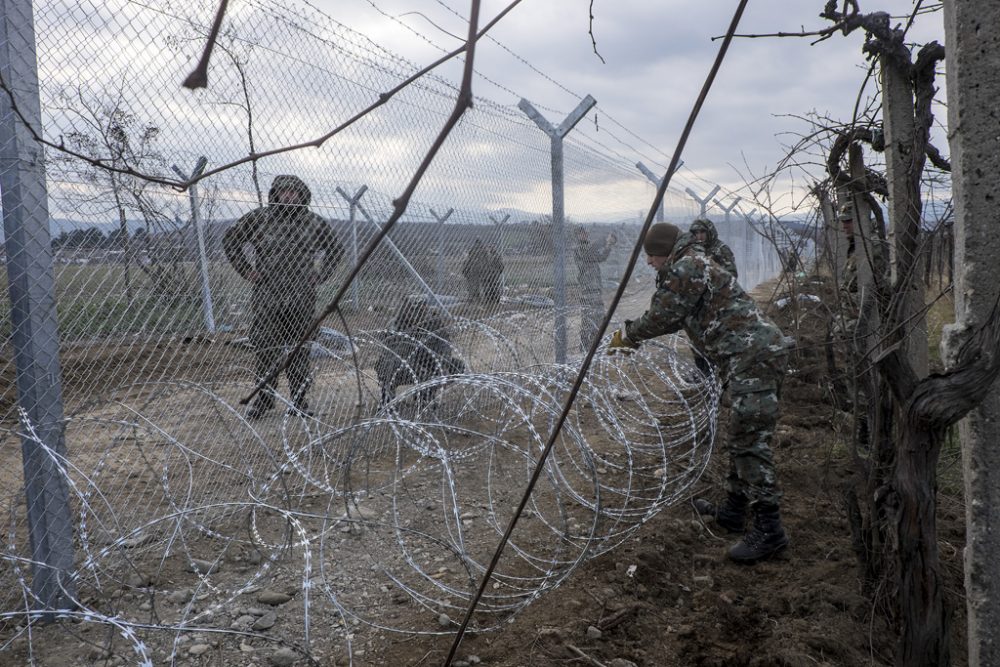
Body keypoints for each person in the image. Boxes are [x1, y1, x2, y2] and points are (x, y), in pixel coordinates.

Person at [607, 222, 792, 563]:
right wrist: (636, 333)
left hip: (754, 357)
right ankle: (735, 512)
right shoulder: (692, 262)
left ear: (663, 251)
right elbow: (679, 315)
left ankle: (770, 530)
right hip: (746, 357)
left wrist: (630, 335)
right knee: (740, 435)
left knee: (750, 442)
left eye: (650, 256)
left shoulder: (687, 266)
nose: (649, 263)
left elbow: (663, 315)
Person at [223, 175, 344, 420]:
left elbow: (335, 249)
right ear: (275, 194)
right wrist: (246, 270)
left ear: (302, 195)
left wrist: (320, 275)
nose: (289, 196)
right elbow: (231, 240)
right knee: (266, 349)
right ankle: (264, 398)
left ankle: (299, 400)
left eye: (294, 192)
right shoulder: (260, 219)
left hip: (302, 298)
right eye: (284, 192)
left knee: (300, 349)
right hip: (267, 297)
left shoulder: (313, 223)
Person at [573, 226, 617, 351]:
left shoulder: (589, 248)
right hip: (587, 290)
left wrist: (608, 245)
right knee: (587, 320)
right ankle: (584, 348)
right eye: (582, 233)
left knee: (599, 317)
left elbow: (602, 257)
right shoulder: (579, 248)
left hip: (595, 288)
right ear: (577, 235)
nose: (585, 235)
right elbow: (590, 252)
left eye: (586, 232)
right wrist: (604, 239)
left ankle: (594, 345)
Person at [462, 239, 504, 305]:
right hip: (488, 273)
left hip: (477, 273)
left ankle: (476, 301)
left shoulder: (472, 254)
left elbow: (466, 265)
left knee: (476, 288)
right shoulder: (488, 254)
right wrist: (497, 272)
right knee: (492, 287)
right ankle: (492, 301)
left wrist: (466, 273)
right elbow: (500, 266)